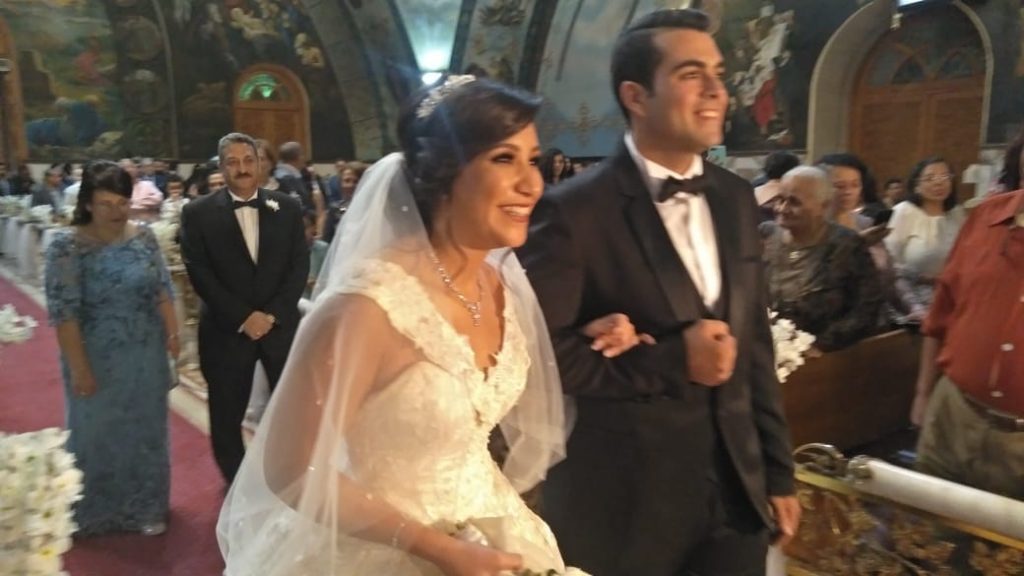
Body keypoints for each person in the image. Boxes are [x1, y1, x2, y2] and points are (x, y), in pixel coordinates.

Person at [217, 76, 615, 576]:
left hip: (489, 524)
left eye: (532, 160)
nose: (531, 183)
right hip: (378, 546)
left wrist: (601, 329)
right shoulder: (365, 307)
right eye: (503, 159)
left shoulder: (499, 283)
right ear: (443, 172)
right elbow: (290, 470)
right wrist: (438, 548)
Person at [518, 10, 799, 575]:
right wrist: (672, 359)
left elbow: (754, 344)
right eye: (691, 74)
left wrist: (777, 471)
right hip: (625, 504)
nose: (717, 90)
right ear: (636, 96)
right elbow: (537, 356)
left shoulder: (736, 198)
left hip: (735, 494)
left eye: (718, 74)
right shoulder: (573, 211)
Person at [44, 160, 177, 536]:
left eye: (123, 203)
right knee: (97, 433)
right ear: (87, 203)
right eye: (106, 204)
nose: (117, 212)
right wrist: (80, 369)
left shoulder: (145, 238)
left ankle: (147, 506)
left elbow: (162, 289)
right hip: (95, 355)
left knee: (147, 430)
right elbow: (64, 314)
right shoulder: (67, 247)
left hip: (145, 353)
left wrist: (173, 334)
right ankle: (97, 509)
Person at [180, 132, 309, 486]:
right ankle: (237, 486)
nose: (242, 168)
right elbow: (200, 273)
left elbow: (298, 266)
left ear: (260, 164)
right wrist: (243, 317)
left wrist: (271, 315)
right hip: (226, 331)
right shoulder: (197, 213)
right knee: (226, 415)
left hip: (279, 329)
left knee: (291, 411)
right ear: (222, 168)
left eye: (248, 160)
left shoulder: (287, 207)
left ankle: (289, 480)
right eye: (233, 162)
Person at [911, 187, 1024, 500]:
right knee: (926, 519)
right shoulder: (985, 215)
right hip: (953, 413)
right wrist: (923, 392)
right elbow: (941, 311)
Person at [762, 167, 884, 351]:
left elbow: (866, 309)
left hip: (825, 355)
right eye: (780, 199)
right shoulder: (767, 235)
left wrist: (820, 344)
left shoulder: (846, 245)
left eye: (794, 202)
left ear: (824, 206)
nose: (782, 208)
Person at [884, 158, 965, 323]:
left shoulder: (957, 213)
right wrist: (926, 279)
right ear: (916, 185)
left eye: (945, 177)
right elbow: (889, 264)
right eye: (930, 178)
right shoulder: (903, 212)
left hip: (954, 299)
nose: (939, 183)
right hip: (913, 301)